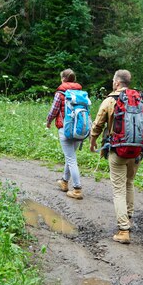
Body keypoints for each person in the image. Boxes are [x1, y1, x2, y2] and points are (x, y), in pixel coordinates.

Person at [89, 69, 143, 244]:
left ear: (117, 82)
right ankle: (129, 217)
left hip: (117, 151)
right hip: (137, 151)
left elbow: (97, 124)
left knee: (118, 189)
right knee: (129, 183)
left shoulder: (110, 101)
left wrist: (93, 141)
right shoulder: (140, 101)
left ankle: (123, 230)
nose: (113, 82)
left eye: (113, 80)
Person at [46, 68, 84, 199]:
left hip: (65, 129)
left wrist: (48, 121)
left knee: (71, 159)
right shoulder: (81, 93)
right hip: (79, 129)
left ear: (63, 79)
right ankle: (64, 182)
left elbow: (54, 110)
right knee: (71, 157)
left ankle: (77, 189)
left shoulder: (61, 93)